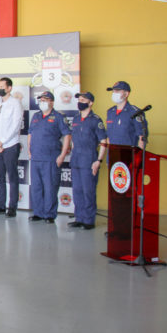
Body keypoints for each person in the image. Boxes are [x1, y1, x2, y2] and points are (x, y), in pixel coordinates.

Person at [27, 91, 71, 224]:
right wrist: (29, 150)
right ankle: (38, 213)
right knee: (36, 187)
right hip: (36, 158)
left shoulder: (58, 117)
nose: (42, 102)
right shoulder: (36, 116)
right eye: (41, 100)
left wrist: (62, 155)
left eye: (45, 100)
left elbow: (67, 135)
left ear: (51, 102)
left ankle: (49, 214)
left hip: (51, 158)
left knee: (50, 187)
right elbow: (30, 133)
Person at [68, 92, 107, 230]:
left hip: (89, 160)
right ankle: (79, 218)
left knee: (88, 191)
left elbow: (104, 142)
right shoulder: (76, 118)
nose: (80, 102)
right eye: (79, 99)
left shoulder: (96, 120)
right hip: (76, 160)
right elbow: (73, 139)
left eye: (83, 100)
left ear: (90, 103)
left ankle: (88, 220)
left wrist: (98, 161)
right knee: (77, 191)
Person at [0, 77, 23, 217]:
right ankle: (0, 205)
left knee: (12, 177)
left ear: (9, 88)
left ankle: (12, 207)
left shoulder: (15, 103)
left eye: (2, 87)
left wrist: (2, 141)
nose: (0, 89)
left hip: (10, 145)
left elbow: (15, 126)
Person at [105, 81, 147, 148]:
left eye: (117, 91)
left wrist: (139, 154)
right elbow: (108, 137)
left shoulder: (135, 112)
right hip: (113, 153)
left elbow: (142, 138)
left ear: (126, 94)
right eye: (113, 91)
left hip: (129, 153)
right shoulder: (110, 112)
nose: (114, 93)